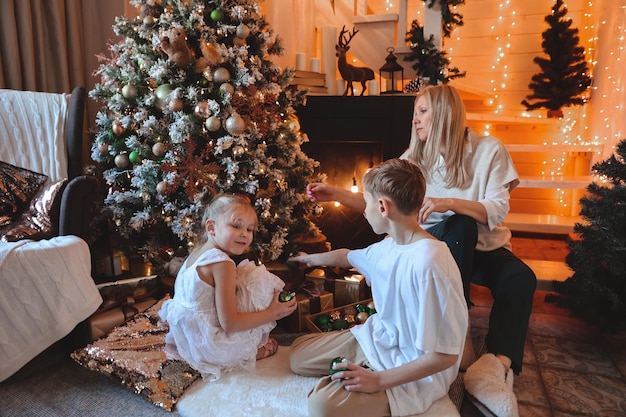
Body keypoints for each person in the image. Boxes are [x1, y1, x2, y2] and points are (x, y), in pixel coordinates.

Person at [305, 84, 536, 417]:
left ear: (446, 113)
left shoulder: (488, 150)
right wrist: (336, 193)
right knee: (457, 228)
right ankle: (458, 334)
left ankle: (496, 364)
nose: (416, 120)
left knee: (519, 276)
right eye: (415, 113)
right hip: (441, 247)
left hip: (485, 245)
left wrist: (447, 202)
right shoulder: (413, 159)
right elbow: (379, 202)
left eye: (423, 111)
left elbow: (496, 211)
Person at [288, 158, 468, 417]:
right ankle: (362, 366)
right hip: (378, 340)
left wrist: (379, 381)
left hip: (414, 371)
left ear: (383, 207)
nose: (364, 211)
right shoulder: (389, 246)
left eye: (367, 203)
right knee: (296, 355)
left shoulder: (431, 264)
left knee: (322, 405)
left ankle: (368, 378)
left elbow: (445, 355)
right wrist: (309, 259)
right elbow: (347, 256)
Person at [159, 193, 297, 381]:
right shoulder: (222, 263)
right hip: (208, 346)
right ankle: (250, 353)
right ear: (211, 227)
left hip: (185, 335)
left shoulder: (197, 251)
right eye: (236, 225)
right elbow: (230, 324)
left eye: (249, 229)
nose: (245, 234)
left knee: (245, 281)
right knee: (261, 282)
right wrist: (273, 312)